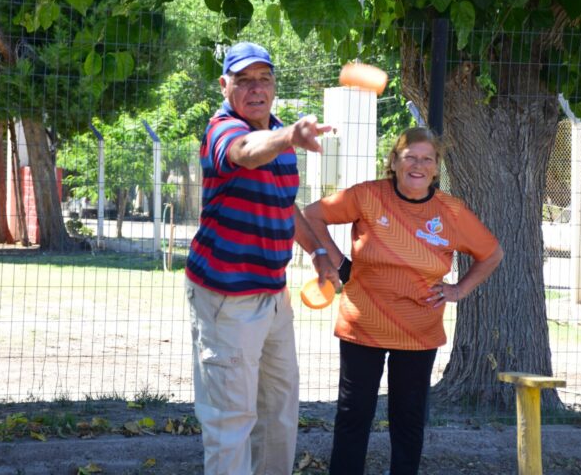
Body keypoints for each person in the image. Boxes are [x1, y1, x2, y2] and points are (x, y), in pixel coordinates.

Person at [302, 126, 504, 474]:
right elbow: (313, 214)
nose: (418, 165)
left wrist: (459, 289)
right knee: (354, 415)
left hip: (418, 330)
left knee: (407, 421)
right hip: (362, 324)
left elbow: (492, 253)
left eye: (427, 159)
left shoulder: (451, 212)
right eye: (410, 157)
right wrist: (335, 260)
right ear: (394, 161)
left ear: (437, 167)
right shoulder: (367, 196)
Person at [185, 41, 340, 475]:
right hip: (227, 297)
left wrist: (321, 252)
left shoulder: (278, 138)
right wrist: (289, 134)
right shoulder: (224, 130)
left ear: (274, 85)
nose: (256, 89)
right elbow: (245, 153)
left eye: (264, 79)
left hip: (273, 296)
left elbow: (285, 204)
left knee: (278, 414)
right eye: (244, 80)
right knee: (230, 421)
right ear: (224, 85)